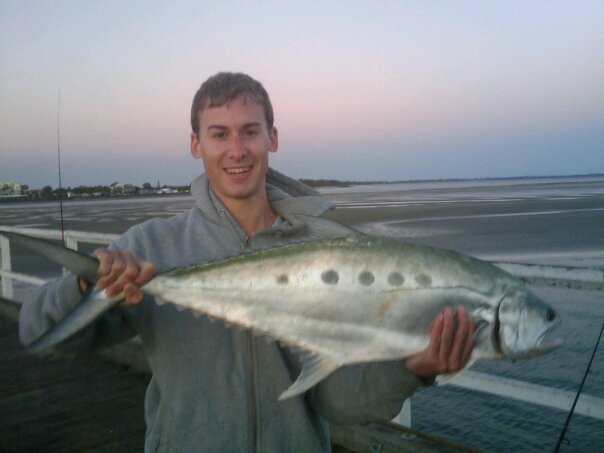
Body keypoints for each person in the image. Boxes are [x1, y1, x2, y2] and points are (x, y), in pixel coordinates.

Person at [19, 72, 475, 452]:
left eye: (249, 131)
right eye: (219, 134)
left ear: (272, 137)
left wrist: (412, 369)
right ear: (196, 144)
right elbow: (39, 333)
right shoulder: (151, 246)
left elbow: (340, 404)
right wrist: (83, 286)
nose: (236, 150)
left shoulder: (329, 255)